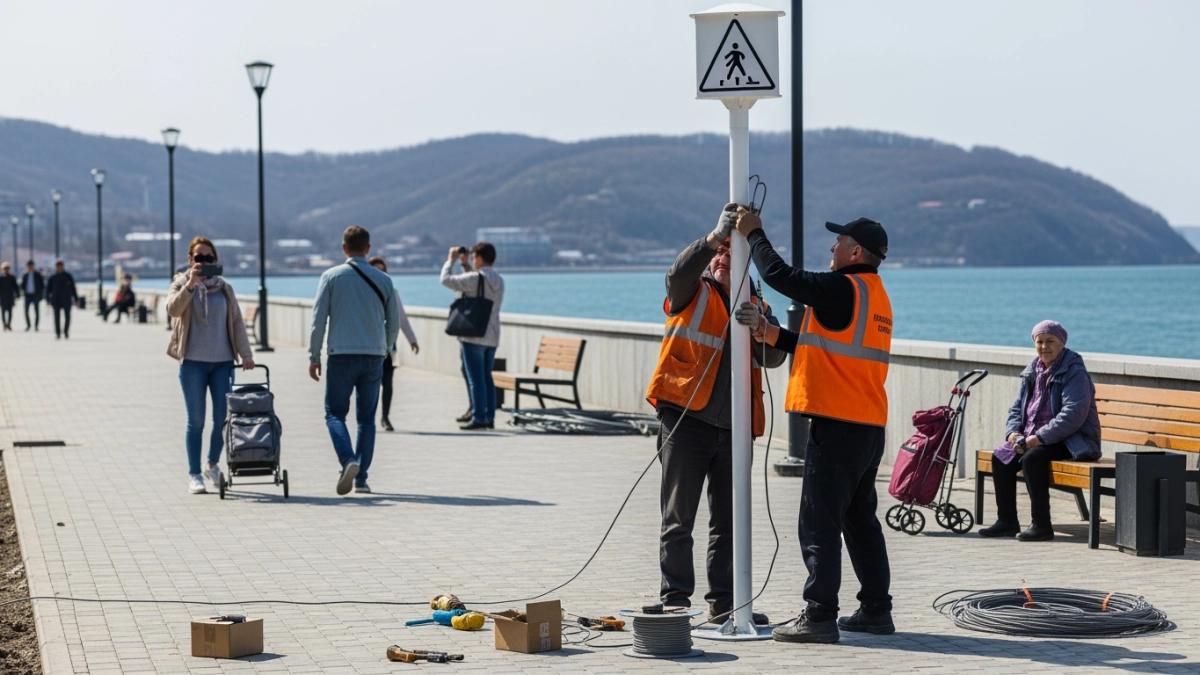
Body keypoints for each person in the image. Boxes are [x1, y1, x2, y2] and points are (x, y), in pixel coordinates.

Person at [733, 211, 895, 643]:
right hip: (867, 425)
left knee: (818, 523)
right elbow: (831, 348)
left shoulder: (842, 287)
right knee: (860, 521)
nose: (831, 248)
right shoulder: (872, 294)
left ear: (856, 251)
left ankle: (820, 616)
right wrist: (775, 335)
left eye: (838, 242)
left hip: (837, 425)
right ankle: (877, 611)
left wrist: (755, 234)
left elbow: (779, 274)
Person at [645, 203, 786, 625]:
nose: (725, 258)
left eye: (732, 253)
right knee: (678, 517)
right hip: (687, 419)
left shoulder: (755, 302)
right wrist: (711, 237)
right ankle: (675, 598)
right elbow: (676, 275)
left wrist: (762, 327)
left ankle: (725, 601)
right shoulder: (694, 290)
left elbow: (775, 357)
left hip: (736, 427)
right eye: (720, 252)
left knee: (728, 521)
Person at [980, 321, 1101, 542]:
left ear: (1062, 343)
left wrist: (1039, 438)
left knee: (1032, 458)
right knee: (1002, 456)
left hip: (1073, 440)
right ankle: (1007, 521)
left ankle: (1042, 525)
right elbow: (1016, 408)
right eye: (1040, 342)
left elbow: (1073, 415)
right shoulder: (1031, 371)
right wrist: (1013, 433)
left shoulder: (1074, 372)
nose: (1044, 346)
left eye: (1050, 341)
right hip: (1034, 437)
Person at [309, 226, 400, 495]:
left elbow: (317, 322)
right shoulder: (384, 280)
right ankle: (361, 479)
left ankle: (348, 460)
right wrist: (384, 349)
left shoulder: (330, 276)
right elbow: (393, 324)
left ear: (344, 249)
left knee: (334, 413)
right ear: (368, 249)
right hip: (374, 356)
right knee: (366, 420)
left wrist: (314, 356)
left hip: (341, 356)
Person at [166, 237, 255, 495]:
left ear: (215, 260)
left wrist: (246, 354)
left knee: (222, 419)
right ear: (190, 260)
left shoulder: (224, 288)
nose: (204, 262)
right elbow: (172, 310)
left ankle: (212, 464)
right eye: (198, 258)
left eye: (209, 258)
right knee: (196, 421)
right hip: (192, 363)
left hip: (222, 363)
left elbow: (237, 322)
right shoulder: (181, 282)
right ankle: (194, 474)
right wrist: (192, 284)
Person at [440, 242, 504, 430]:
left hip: (474, 334)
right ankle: (489, 417)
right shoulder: (499, 280)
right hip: (492, 334)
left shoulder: (476, 278)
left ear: (480, 257)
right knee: (487, 378)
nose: (473, 259)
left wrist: (450, 260)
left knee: (476, 379)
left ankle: (478, 417)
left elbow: (446, 280)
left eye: (474, 256)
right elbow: (474, 285)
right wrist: (465, 265)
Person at [368, 256, 420, 431]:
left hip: (387, 347)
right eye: (377, 270)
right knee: (369, 386)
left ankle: (385, 418)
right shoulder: (363, 292)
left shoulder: (392, 291)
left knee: (387, 384)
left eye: (383, 270)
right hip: (366, 347)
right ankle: (367, 418)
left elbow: (401, 319)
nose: (381, 274)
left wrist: (412, 339)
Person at [44, 260, 78, 340]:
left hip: (66, 299)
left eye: (60, 266)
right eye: (57, 266)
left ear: (63, 266)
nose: (59, 268)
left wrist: (76, 299)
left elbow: (73, 288)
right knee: (57, 318)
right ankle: (58, 333)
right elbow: (48, 289)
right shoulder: (52, 277)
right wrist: (47, 299)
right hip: (56, 300)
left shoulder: (68, 276)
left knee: (67, 317)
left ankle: (66, 331)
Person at [20, 260, 43, 332]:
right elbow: (22, 285)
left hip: (35, 295)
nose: (30, 267)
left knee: (36, 311)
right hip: (27, 295)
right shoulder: (25, 275)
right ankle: (28, 325)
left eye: (31, 266)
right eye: (29, 266)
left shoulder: (37, 275)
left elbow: (42, 285)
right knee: (26, 311)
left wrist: (39, 294)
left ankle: (36, 326)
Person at [0, 262, 19, 331]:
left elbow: (15, 287)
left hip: (10, 297)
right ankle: (4, 324)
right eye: (5, 269)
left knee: (10, 312)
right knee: (3, 312)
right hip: (2, 298)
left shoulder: (12, 278)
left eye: (7, 268)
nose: (6, 270)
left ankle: (9, 324)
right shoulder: (1, 278)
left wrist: (18, 295)